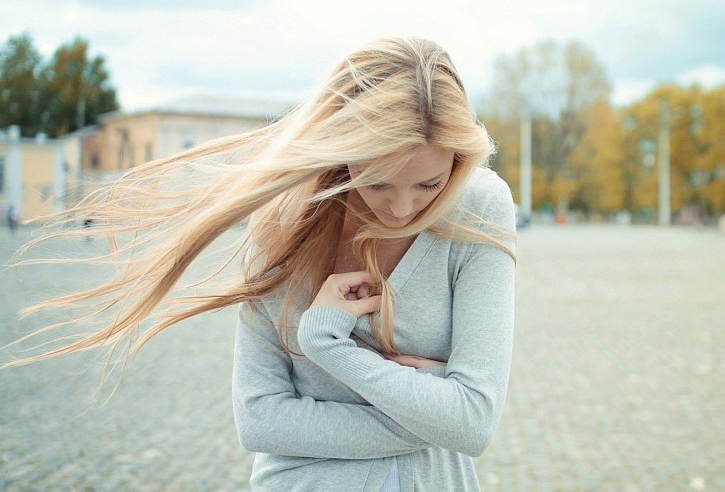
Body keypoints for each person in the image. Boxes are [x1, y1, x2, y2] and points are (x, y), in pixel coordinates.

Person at [6, 37, 516, 491]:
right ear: (344, 150)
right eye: (378, 180)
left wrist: (329, 348)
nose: (403, 209)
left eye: (430, 185)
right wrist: (431, 408)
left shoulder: (480, 206)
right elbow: (259, 420)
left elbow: (473, 425)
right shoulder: (282, 221)